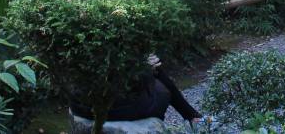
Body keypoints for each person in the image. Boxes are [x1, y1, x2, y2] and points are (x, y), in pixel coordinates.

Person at [70, 53, 202, 125]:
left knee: (156, 72)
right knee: (161, 89)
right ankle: (192, 116)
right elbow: (119, 83)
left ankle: (191, 116)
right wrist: (144, 68)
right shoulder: (110, 44)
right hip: (108, 108)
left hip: (80, 104)